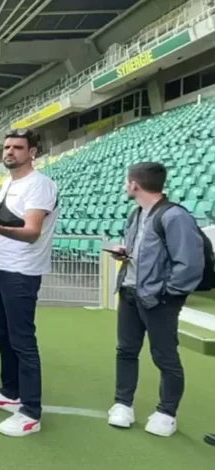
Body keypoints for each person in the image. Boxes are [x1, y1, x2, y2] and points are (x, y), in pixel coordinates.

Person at [0, 128, 58, 437]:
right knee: (2, 334)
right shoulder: (8, 181)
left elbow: (32, 231)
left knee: (22, 340)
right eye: (6, 147)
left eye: (18, 147)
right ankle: (10, 392)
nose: (10, 152)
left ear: (32, 152)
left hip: (21, 271)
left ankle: (31, 411)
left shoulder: (40, 185)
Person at [107, 162, 204, 437]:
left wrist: (164, 292)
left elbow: (190, 265)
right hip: (129, 292)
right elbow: (144, 252)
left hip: (158, 299)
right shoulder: (136, 214)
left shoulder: (175, 216)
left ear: (135, 185)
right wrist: (123, 253)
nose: (126, 186)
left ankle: (167, 413)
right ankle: (122, 404)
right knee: (126, 351)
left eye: (128, 182)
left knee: (165, 357)